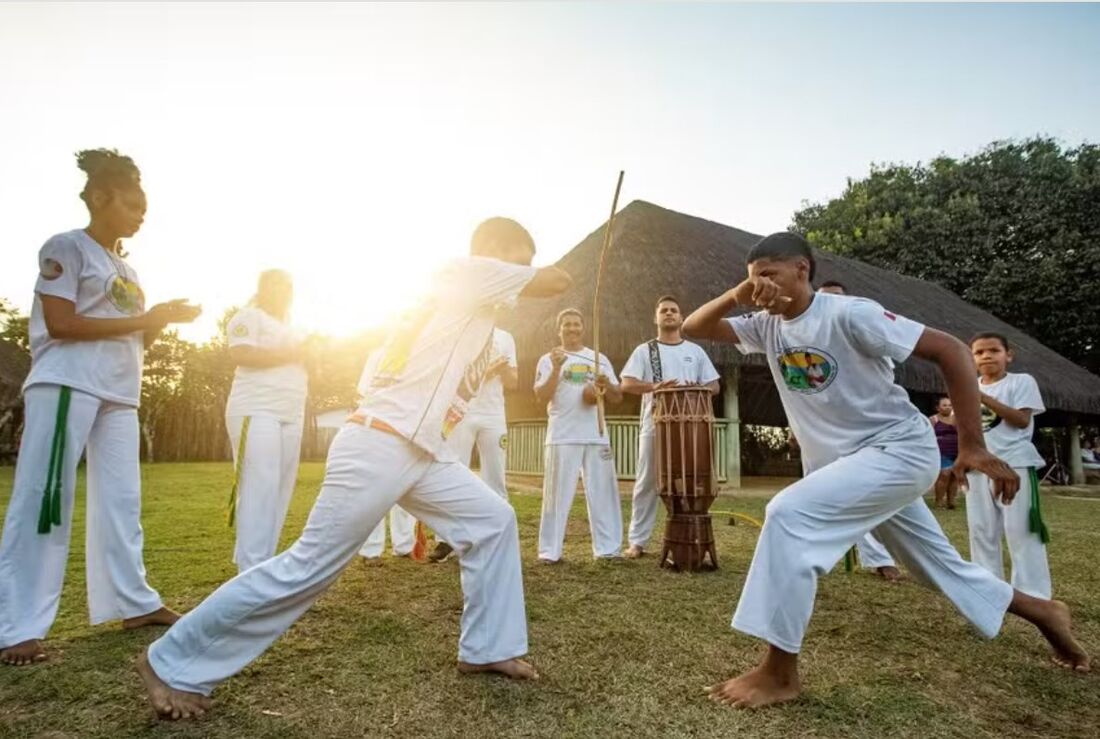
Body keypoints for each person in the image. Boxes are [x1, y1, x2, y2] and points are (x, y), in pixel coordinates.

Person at [136, 217, 571, 720]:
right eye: (518, 258)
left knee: (493, 521)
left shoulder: (469, 305)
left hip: (421, 449)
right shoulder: (470, 272)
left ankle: (488, 647)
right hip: (379, 443)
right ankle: (169, 662)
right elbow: (556, 280)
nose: (520, 273)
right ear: (492, 253)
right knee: (307, 567)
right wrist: (520, 269)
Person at [683, 232, 1088, 709]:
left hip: (897, 452)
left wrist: (973, 445)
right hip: (850, 467)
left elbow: (953, 351)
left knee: (788, 515)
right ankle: (1043, 612)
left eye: (769, 275)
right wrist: (738, 295)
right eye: (753, 280)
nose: (761, 288)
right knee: (936, 567)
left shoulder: (851, 313)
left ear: (802, 270)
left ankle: (779, 672)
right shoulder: (764, 325)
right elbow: (693, 328)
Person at [0, 149, 201, 666]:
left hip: (119, 393)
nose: (141, 214)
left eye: (143, 206)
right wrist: (144, 320)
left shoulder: (128, 269)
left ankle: (131, 601)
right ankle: (16, 625)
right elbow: (63, 324)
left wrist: (157, 323)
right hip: (68, 384)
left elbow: (133, 342)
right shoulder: (67, 248)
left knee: (122, 502)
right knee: (46, 501)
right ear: (98, 197)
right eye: (132, 203)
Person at [620, 295, 719, 559]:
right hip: (655, 426)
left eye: (674, 310)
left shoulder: (695, 351)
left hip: (691, 429)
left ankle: (688, 537)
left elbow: (714, 385)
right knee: (646, 482)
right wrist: (655, 387)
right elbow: (627, 384)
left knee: (689, 482)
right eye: (663, 310)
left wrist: (690, 392)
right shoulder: (645, 351)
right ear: (656, 318)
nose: (669, 314)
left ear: (681, 317)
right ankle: (637, 542)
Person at [224, 270, 309, 572]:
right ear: (262, 289)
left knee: (280, 488)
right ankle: (250, 568)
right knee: (259, 485)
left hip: (291, 410)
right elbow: (241, 353)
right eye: (276, 285)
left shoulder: (295, 327)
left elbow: (307, 361)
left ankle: (265, 562)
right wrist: (294, 352)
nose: (284, 291)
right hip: (257, 408)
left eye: (288, 286)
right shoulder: (249, 317)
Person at [816, 280, 901, 581]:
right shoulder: (809, 342)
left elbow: (885, 381)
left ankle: (888, 558)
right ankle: (867, 558)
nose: (832, 305)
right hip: (827, 434)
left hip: (875, 431)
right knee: (826, 499)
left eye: (838, 298)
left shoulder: (868, 332)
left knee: (881, 497)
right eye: (825, 299)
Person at [534, 309, 623, 563]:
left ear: (583, 328)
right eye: (567, 325)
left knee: (603, 492)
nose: (572, 329)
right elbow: (540, 395)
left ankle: (608, 549)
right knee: (556, 496)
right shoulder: (549, 359)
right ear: (559, 329)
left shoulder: (599, 359)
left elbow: (616, 397)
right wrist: (557, 369)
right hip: (562, 434)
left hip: (596, 435)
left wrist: (605, 384)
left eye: (576, 324)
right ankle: (549, 552)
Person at [967, 333, 1052, 599]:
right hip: (979, 466)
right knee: (981, 531)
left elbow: (1020, 420)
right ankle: (987, 590)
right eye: (979, 352)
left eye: (994, 350)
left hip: (1015, 464)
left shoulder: (1021, 381)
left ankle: (1032, 594)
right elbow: (964, 427)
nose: (987, 356)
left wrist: (981, 397)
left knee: (1021, 530)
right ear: (972, 358)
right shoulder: (967, 386)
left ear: (1008, 355)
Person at [431, 327, 518, 563]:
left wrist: (504, 369)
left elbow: (513, 382)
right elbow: (453, 378)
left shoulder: (505, 337)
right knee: (456, 471)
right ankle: (446, 538)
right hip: (462, 411)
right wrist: (489, 370)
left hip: (493, 415)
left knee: (495, 474)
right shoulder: (462, 331)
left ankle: (498, 535)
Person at [929, 395, 959, 508]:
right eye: (944, 405)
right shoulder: (933, 420)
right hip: (941, 451)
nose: (947, 407)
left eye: (950, 405)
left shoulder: (957, 418)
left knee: (954, 476)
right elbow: (928, 436)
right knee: (944, 475)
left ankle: (951, 502)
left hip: (957, 451)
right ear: (938, 408)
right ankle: (939, 501)